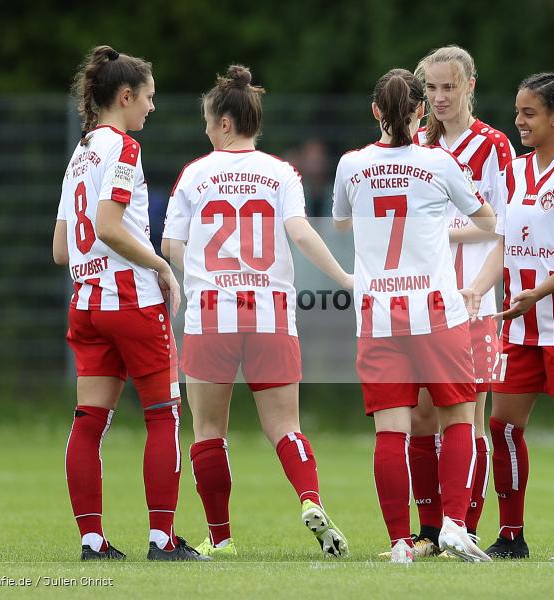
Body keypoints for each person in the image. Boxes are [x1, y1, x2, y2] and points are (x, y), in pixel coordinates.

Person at [162, 65, 351, 558]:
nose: (206, 130)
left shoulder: (195, 173)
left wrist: (201, 274)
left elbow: (170, 243)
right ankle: (310, 498)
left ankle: (221, 539)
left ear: (225, 123)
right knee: (285, 425)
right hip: (271, 313)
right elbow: (302, 232)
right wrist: (346, 279)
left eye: (208, 121)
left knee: (207, 430)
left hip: (212, 315)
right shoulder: (280, 172)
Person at [332, 68, 497, 563]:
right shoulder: (439, 162)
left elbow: (341, 222)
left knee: (391, 431)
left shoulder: (351, 164)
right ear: (421, 111)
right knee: (459, 416)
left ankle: (400, 542)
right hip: (436, 310)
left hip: (379, 313)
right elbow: (487, 221)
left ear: (376, 112)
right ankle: (452, 525)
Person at [53, 45, 207, 562]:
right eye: (148, 96)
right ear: (125, 96)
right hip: (130, 299)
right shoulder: (123, 148)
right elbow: (109, 226)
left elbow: (61, 248)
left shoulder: (80, 154)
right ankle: (162, 539)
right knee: (164, 415)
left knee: (89, 419)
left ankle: (92, 541)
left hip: (86, 300)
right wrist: (162, 268)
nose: (152, 107)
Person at [467, 72, 554, 561]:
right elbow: (503, 243)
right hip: (520, 325)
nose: (519, 121)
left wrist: (535, 293)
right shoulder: (514, 172)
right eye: (517, 111)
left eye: (528, 113)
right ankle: (511, 536)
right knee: (503, 426)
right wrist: (478, 290)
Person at [402, 45, 516, 557]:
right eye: (431, 88)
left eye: (450, 87)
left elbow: (504, 225)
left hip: (471, 302)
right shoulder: (415, 144)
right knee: (423, 416)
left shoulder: (493, 146)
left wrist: (441, 232)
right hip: (420, 302)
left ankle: (462, 527)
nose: (440, 97)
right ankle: (429, 532)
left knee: (467, 417)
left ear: (470, 85)